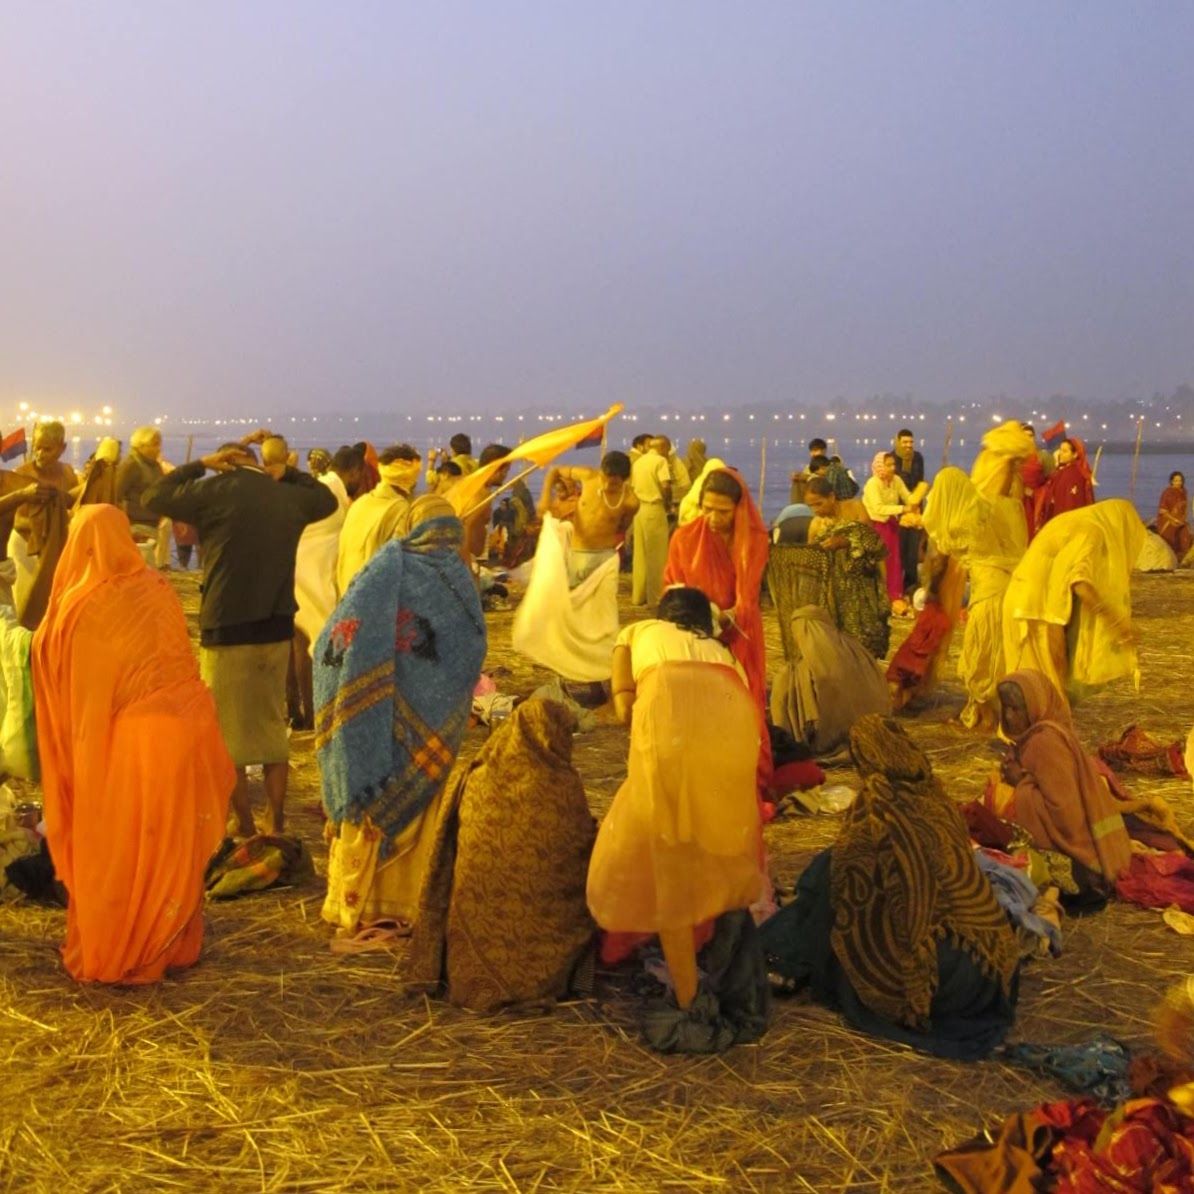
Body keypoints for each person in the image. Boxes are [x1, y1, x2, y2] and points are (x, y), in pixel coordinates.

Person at [32, 505, 234, 983]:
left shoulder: (79, 606)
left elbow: (74, 691)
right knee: (167, 846)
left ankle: (123, 950)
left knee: (121, 849)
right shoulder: (157, 588)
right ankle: (168, 945)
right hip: (183, 732)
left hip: (123, 744)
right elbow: (180, 660)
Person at [759, 716, 1021, 1061]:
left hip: (936, 986)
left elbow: (844, 901)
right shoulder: (936, 799)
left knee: (823, 900)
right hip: (992, 976)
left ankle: (778, 962)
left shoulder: (876, 813)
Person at [144, 435, 338, 837]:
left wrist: (202, 464)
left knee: (225, 732)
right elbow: (326, 499)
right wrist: (287, 471)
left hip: (226, 626)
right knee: (271, 726)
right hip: (276, 625)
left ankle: (245, 821)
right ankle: (276, 819)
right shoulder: (286, 495)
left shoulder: (213, 490)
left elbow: (154, 496)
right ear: (260, 463)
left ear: (228, 462)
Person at [589, 587, 766, 1012]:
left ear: (663, 613)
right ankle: (714, 952)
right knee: (709, 842)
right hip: (732, 727)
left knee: (665, 844)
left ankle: (686, 991)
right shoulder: (724, 654)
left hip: (665, 722)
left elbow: (623, 708)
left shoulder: (638, 631)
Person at [316, 509, 486, 941]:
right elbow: (469, 654)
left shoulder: (388, 567)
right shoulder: (460, 582)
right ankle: (409, 905)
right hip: (432, 724)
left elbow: (336, 636)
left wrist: (355, 688)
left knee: (370, 793)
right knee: (420, 809)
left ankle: (357, 905)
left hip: (377, 711)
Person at [406, 699, 596, 1010]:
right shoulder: (561, 786)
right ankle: (565, 984)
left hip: (468, 972)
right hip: (540, 968)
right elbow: (577, 860)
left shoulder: (475, 779)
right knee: (594, 897)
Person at [662, 469, 770, 758]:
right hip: (696, 633)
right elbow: (672, 586)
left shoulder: (754, 540)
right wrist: (694, 619)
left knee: (743, 705)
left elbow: (746, 599)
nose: (712, 518)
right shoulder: (685, 538)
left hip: (739, 630)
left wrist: (721, 618)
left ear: (739, 508)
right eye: (706, 509)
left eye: (722, 511)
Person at [1003, 500, 1145, 707]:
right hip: (1032, 605)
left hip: (1021, 597)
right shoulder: (1093, 531)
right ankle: (1053, 720)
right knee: (1042, 686)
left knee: (1031, 688)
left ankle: (1047, 722)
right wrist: (1114, 621)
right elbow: (1079, 583)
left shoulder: (1078, 521)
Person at [994, 671, 1132, 883]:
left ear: (1034, 706)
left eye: (1016, 708)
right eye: (1005, 707)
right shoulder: (1033, 739)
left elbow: (1066, 815)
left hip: (1077, 848)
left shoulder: (1045, 743)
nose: (1009, 716)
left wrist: (1019, 784)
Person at [920, 467, 1027, 731]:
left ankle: (986, 714)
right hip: (1005, 588)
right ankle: (989, 709)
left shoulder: (964, 520)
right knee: (998, 650)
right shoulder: (988, 510)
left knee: (983, 650)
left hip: (988, 592)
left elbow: (941, 542)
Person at [769, 605, 890, 755]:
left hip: (830, 744)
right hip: (877, 736)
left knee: (784, 679)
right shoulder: (859, 652)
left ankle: (784, 747)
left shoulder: (801, 674)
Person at [291, 455, 355, 730]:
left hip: (301, 573)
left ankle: (299, 710)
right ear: (354, 471)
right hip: (313, 576)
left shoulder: (327, 487)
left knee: (298, 645)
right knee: (315, 646)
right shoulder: (330, 491)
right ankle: (315, 711)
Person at [805, 477, 891, 658]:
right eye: (811, 506)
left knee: (866, 633)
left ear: (832, 497)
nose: (816, 510)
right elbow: (811, 561)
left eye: (819, 504)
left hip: (862, 585)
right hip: (835, 590)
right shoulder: (816, 525)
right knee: (838, 636)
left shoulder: (856, 508)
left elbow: (873, 544)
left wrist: (846, 542)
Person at [8, 421, 78, 629]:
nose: (40, 453)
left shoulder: (67, 473)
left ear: (62, 448)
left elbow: (73, 504)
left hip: (54, 548)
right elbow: (13, 517)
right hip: (24, 546)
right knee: (26, 602)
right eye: (37, 446)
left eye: (47, 449)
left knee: (53, 602)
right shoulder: (22, 472)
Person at [336, 443, 425, 593]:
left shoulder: (360, 502)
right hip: (372, 600)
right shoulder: (400, 509)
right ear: (411, 479)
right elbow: (400, 565)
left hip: (346, 594)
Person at [862, 451, 920, 607]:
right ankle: (881, 595)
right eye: (888, 465)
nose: (893, 468)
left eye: (894, 464)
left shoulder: (896, 480)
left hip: (892, 525)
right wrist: (903, 509)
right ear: (880, 466)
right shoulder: (872, 484)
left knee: (895, 561)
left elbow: (908, 497)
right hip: (877, 526)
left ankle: (895, 594)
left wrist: (918, 498)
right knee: (883, 561)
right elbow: (878, 508)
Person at [630, 437, 672, 606]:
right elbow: (666, 486)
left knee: (639, 555)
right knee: (656, 556)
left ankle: (638, 596)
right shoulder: (660, 461)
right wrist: (668, 504)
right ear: (663, 447)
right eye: (668, 449)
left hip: (639, 510)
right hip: (654, 508)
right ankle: (655, 599)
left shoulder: (638, 462)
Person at [115, 426, 166, 565]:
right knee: (143, 569)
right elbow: (116, 494)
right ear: (141, 445)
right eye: (154, 444)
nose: (159, 448)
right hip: (136, 526)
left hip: (152, 524)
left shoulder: (154, 465)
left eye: (159, 444)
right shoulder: (131, 465)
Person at [893, 429, 930, 595]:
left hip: (915, 509)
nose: (908, 446)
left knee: (913, 551)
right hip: (897, 510)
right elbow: (898, 481)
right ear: (898, 442)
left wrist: (916, 502)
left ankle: (911, 586)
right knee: (899, 549)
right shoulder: (891, 458)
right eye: (905, 442)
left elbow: (918, 479)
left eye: (911, 442)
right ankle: (896, 587)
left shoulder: (918, 458)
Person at [1036, 437, 1095, 528]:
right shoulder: (1064, 471)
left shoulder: (1074, 474)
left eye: (1065, 451)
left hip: (1066, 522)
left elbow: (1072, 502)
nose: (1060, 454)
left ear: (1075, 454)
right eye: (1060, 450)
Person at [1157, 472, 1192, 559]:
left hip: (1180, 521)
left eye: (1180, 480)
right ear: (1171, 481)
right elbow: (1162, 510)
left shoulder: (1183, 491)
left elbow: (1184, 506)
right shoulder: (1167, 492)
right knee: (1170, 542)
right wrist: (1173, 519)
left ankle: (1181, 559)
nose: (1178, 482)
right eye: (1176, 480)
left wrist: (1183, 518)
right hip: (1168, 521)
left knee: (1185, 538)